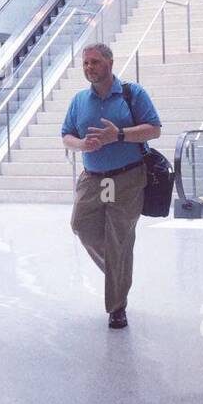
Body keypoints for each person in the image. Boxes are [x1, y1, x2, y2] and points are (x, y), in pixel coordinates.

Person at [61, 43, 161, 331]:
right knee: (81, 225)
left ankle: (117, 308)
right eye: (85, 63)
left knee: (118, 238)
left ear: (110, 63)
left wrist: (117, 135)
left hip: (127, 178)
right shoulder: (79, 100)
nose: (89, 67)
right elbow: (66, 134)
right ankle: (118, 272)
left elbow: (153, 129)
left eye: (94, 62)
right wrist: (82, 144)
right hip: (94, 179)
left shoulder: (133, 94)